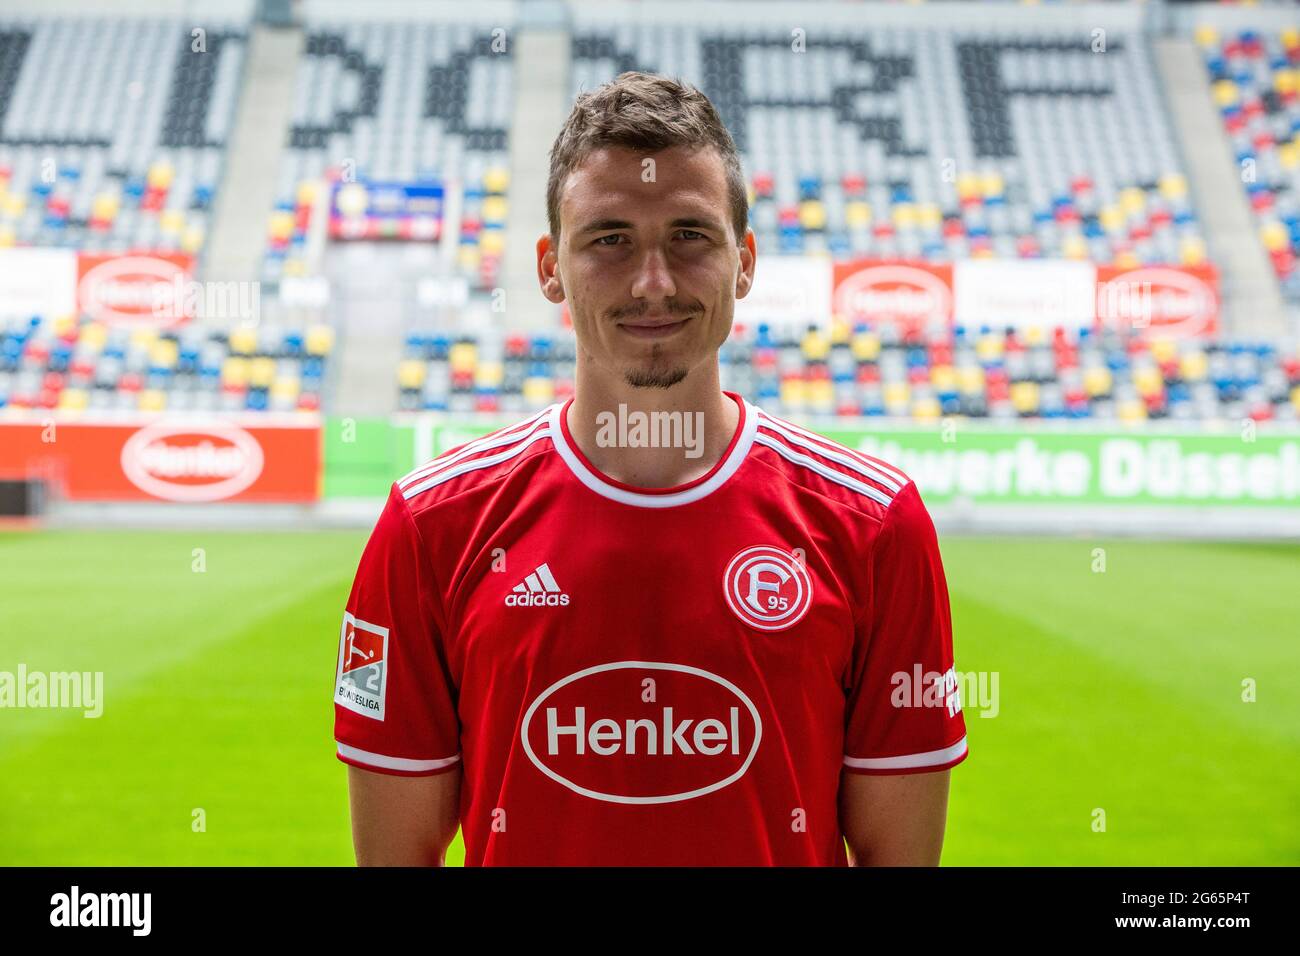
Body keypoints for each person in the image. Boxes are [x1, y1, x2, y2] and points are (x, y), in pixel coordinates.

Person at [334, 71, 967, 866]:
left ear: (745, 261)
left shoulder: (874, 526)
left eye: (690, 236)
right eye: (610, 239)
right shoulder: (432, 525)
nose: (653, 283)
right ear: (548, 267)